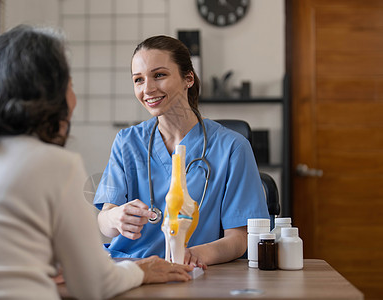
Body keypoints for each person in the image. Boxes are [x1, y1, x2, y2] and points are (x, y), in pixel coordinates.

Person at [0, 25, 193, 300]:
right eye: (69, 86)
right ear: (46, 96)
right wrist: (142, 270)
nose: (74, 99)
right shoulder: (54, 164)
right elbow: (95, 284)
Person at [94, 35, 270, 268]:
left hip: (193, 271)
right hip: (131, 269)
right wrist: (114, 218)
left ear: (188, 78)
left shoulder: (232, 147)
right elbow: (105, 220)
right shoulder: (127, 142)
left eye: (159, 75)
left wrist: (193, 255)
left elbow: (239, 239)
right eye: (138, 80)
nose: (148, 89)